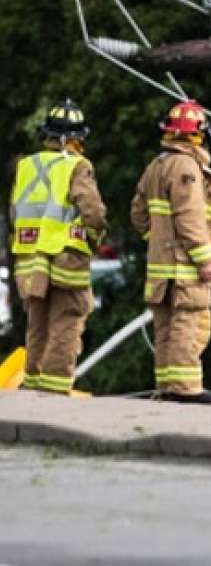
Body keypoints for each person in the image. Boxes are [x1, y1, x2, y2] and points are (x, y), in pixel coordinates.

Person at [131, 99, 211, 404]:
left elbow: (138, 213)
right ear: (199, 134)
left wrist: (159, 240)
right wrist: (204, 259)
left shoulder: (156, 165)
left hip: (161, 267)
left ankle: (167, 386)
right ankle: (186, 389)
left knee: (166, 328)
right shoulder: (187, 167)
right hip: (184, 267)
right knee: (191, 325)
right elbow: (190, 218)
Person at [9, 98, 106, 394]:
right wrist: (96, 236)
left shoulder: (26, 165)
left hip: (30, 259)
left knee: (37, 322)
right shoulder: (77, 165)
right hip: (65, 257)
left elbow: (15, 211)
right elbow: (92, 210)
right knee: (67, 321)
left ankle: (34, 384)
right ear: (73, 138)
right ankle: (54, 391)